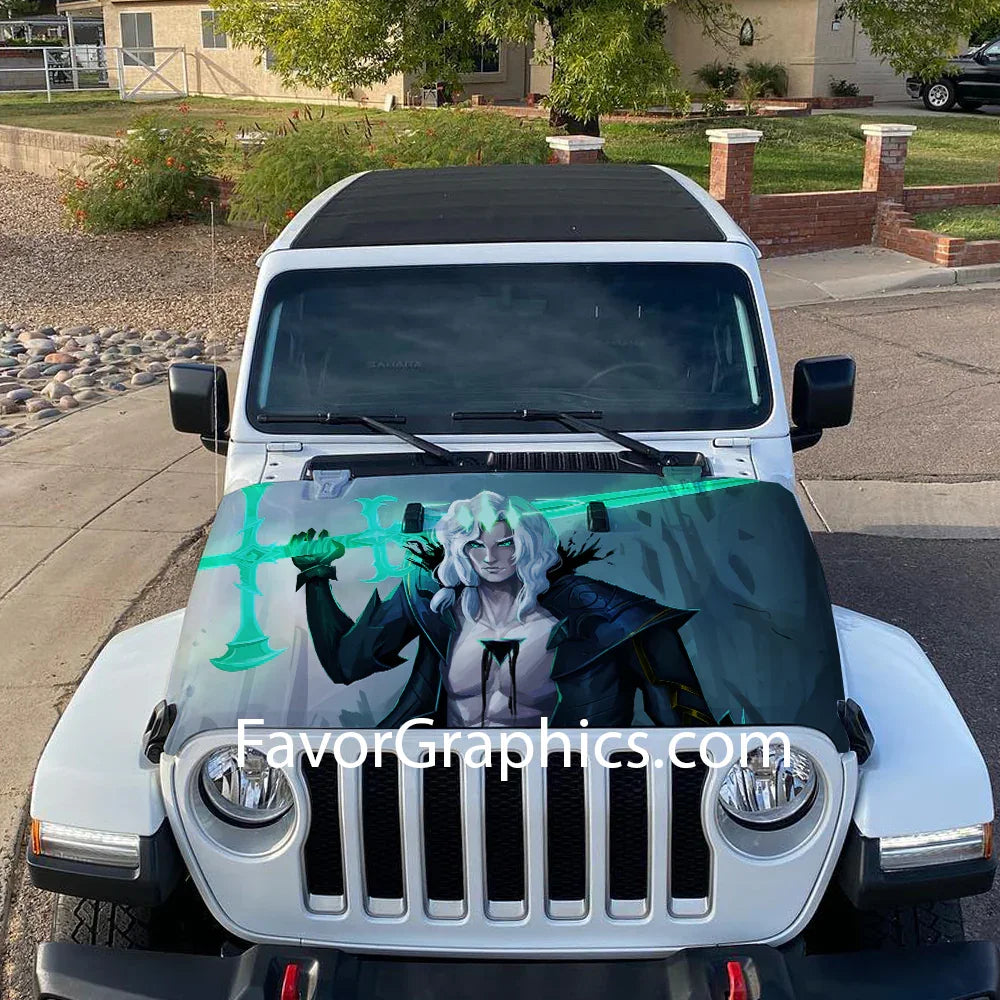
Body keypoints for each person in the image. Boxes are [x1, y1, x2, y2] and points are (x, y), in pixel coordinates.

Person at [290, 490, 713, 728]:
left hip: (568, 789)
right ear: (460, 549)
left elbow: (685, 723)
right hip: (442, 783)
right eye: (476, 545)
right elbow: (345, 663)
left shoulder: (603, 614)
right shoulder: (432, 602)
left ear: (527, 544)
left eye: (505, 543)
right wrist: (315, 577)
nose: (490, 557)